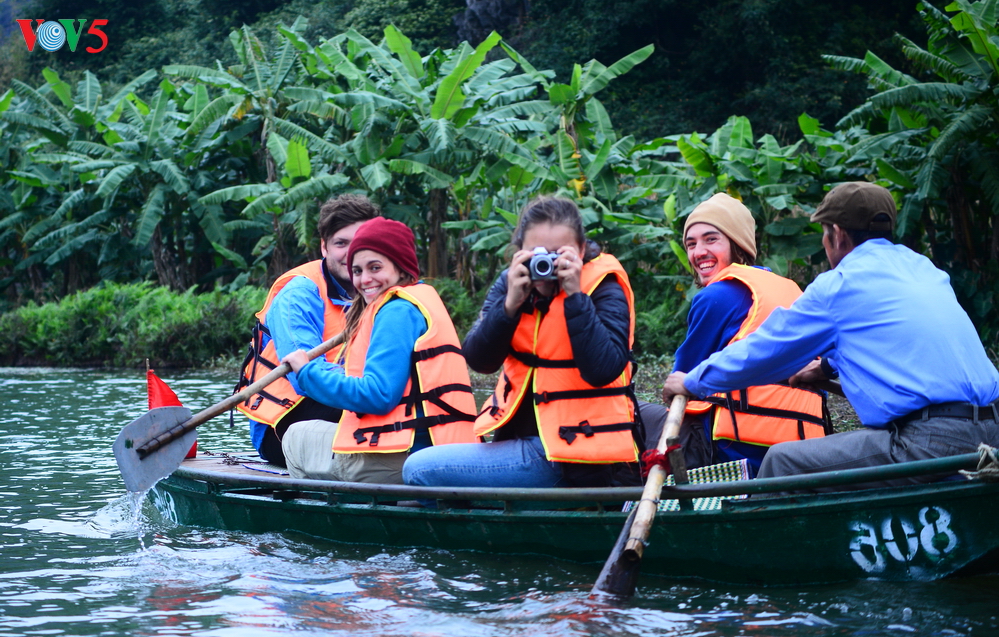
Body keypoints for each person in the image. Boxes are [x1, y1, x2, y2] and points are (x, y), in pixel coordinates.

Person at [662, 182, 999, 488]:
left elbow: (766, 351)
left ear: (837, 234)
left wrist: (692, 382)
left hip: (930, 440)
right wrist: (822, 369)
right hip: (992, 428)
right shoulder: (922, 269)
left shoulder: (839, 285)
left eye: (824, 233)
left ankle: (776, 553)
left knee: (783, 460)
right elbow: (890, 337)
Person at [402, 196, 641, 490]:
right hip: (523, 442)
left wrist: (575, 296)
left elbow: (603, 369)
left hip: (576, 459)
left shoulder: (603, 286)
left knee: (419, 467)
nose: (547, 263)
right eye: (537, 253)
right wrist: (510, 306)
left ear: (580, 250)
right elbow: (479, 360)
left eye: (557, 253)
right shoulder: (512, 282)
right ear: (520, 251)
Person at [641, 193, 829, 476]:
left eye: (711, 239)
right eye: (691, 244)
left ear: (737, 243)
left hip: (730, 450)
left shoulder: (716, 296)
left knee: (627, 415)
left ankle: (615, 504)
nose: (697, 252)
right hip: (800, 451)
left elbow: (679, 382)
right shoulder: (794, 290)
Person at [279, 216, 478, 485]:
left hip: (406, 454)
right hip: (438, 447)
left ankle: (333, 518)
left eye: (375, 267)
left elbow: (379, 395)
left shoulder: (396, 311)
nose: (365, 279)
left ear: (400, 266)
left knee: (296, 435)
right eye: (358, 271)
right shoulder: (417, 299)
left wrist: (307, 372)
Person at [235, 194, 379, 467]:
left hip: (352, 400)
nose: (352, 253)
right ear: (324, 248)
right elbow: (304, 379)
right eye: (341, 243)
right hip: (286, 422)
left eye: (360, 242)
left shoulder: (381, 287)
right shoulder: (299, 294)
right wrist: (376, 387)